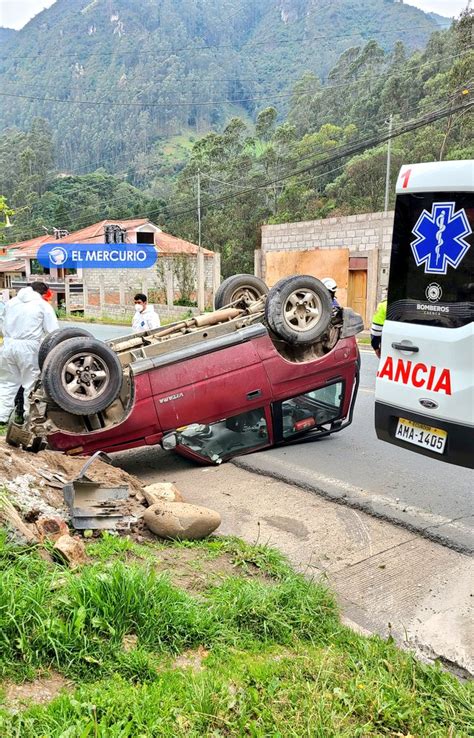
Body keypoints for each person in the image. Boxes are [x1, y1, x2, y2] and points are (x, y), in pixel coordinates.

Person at [0, 282, 59, 427]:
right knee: (30, 384)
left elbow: (2, 322)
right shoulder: (42, 305)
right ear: (44, 293)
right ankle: (29, 418)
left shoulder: (11, 302)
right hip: (29, 347)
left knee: (7, 383)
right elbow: (53, 332)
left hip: (8, 344)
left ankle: (1, 416)